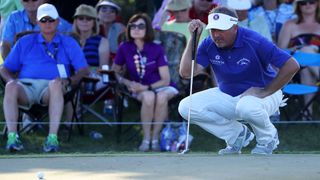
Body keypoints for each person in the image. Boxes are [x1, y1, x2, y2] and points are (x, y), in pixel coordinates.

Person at [178, 6, 300, 155]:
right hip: (230, 95)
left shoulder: (254, 40)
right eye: (213, 30)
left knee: (247, 106)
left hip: (265, 95)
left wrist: (265, 91)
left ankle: (268, 139)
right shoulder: (208, 43)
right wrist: (193, 39)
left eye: (221, 30)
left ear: (235, 28)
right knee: (186, 107)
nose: (216, 35)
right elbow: (186, 73)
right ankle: (236, 135)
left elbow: (292, 65)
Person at [0, 3, 89, 152]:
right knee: (10, 87)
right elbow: (4, 68)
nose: (47, 23)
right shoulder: (25, 42)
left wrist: (71, 81)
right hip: (25, 88)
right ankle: (12, 137)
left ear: (58, 21)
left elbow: (83, 69)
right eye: (43, 20)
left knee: (55, 84)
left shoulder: (68, 42)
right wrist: (10, 80)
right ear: (37, 22)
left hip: (51, 89)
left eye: (51, 20)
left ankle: (52, 138)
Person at [112, 13, 179, 152]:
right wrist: (127, 82)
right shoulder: (124, 47)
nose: (136, 28)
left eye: (141, 26)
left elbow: (165, 79)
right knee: (148, 96)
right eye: (133, 26)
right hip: (139, 88)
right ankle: (146, 138)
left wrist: (146, 86)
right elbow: (115, 71)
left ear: (147, 28)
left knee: (160, 97)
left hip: (162, 86)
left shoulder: (156, 48)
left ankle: (155, 138)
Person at [277, 0, 320, 119]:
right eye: (303, 3)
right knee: (306, 51)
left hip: (313, 65)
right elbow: (280, 51)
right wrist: (294, 49)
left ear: (317, 4)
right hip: (294, 65)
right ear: (298, 6)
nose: (307, 5)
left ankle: (307, 114)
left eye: (311, 2)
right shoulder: (290, 24)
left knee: (307, 68)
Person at [72, 4, 109, 89]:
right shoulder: (70, 40)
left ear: (94, 22)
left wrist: (84, 70)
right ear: (76, 21)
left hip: (94, 77)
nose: (84, 21)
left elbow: (103, 68)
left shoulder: (102, 41)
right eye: (81, 18)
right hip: (72, 76)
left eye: (88, 19)